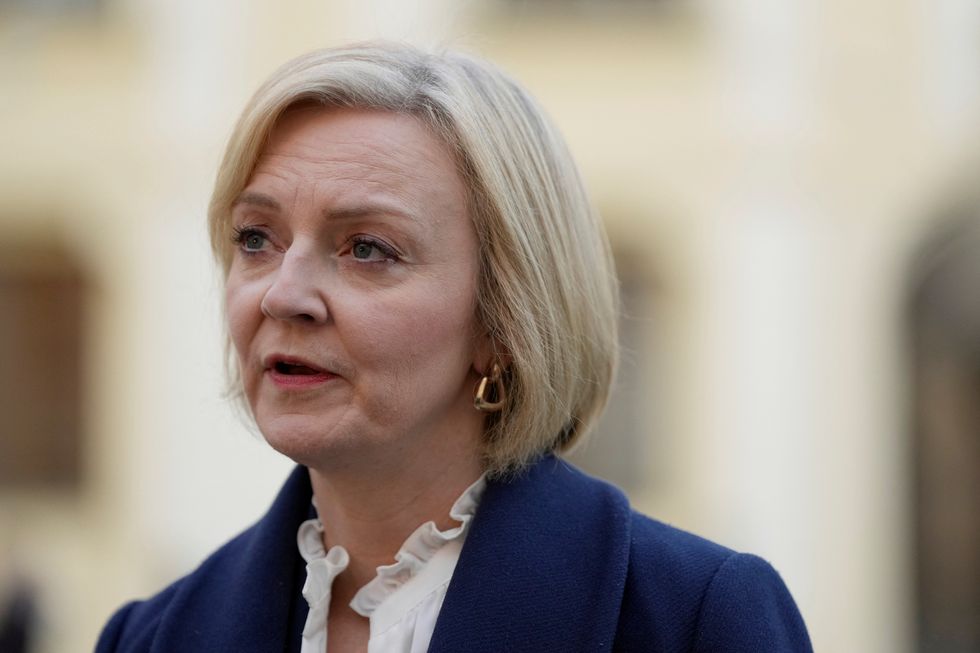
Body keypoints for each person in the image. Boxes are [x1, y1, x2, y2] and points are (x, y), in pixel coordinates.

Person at [96, 42, 812, 652]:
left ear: (504, 320)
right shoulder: (150, 636)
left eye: (367, 248)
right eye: (257, 238)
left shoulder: (695, 618)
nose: (282, 294)